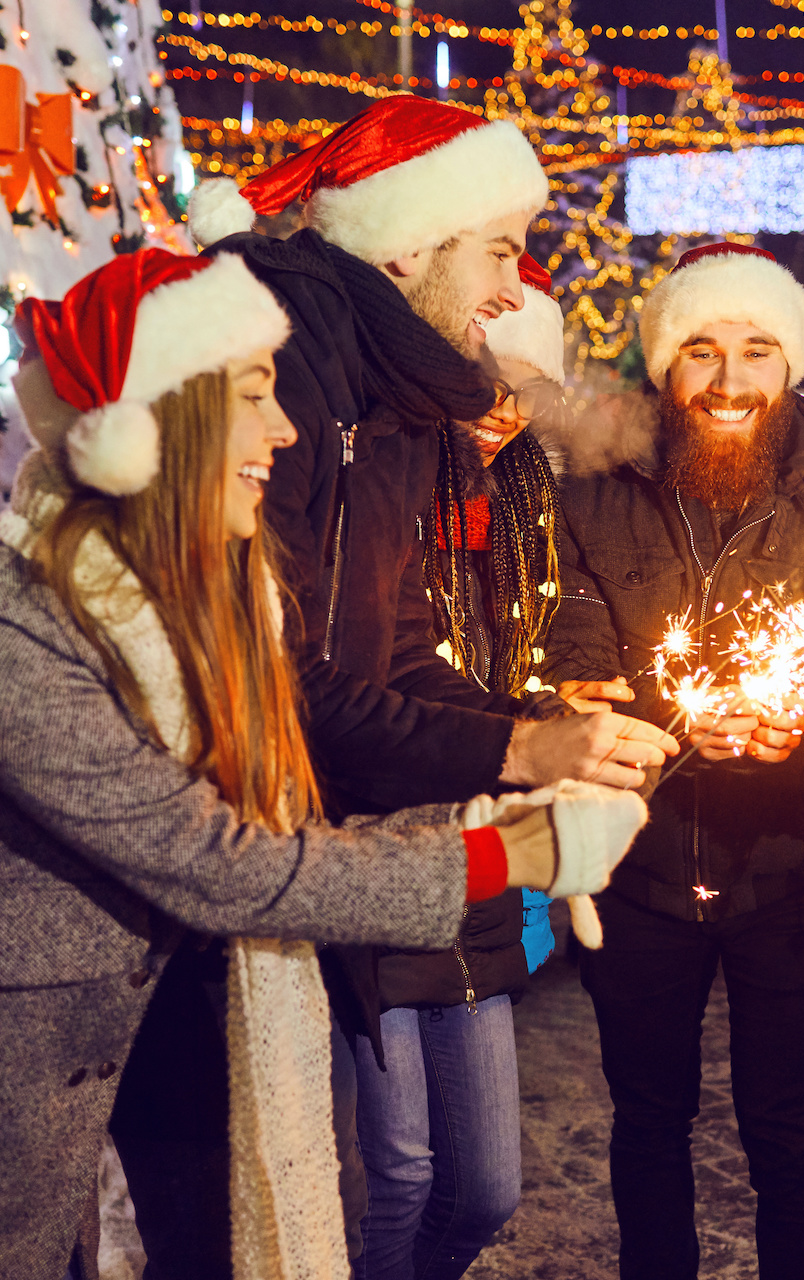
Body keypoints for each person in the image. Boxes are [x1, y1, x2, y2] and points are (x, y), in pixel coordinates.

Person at [0, 249, 647, 1280]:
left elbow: (274, 839)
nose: (286, 429)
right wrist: (513, 852)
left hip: (19, 1134)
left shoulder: (195, 616)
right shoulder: (8, 622)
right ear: (157, 424)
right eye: (256, 396)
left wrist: (500, 790)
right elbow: (218, 861)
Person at [115, 97, 675, 1274]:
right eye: (497, 245)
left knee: (454, 1186)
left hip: (367, 823)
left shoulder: (400, 388)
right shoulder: (294, 373)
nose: (515, 282)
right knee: (306, 1199)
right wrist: (520, 758)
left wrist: (536, 719)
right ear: (411, 242)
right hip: (258, 858)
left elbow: (401, 641)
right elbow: (281, 681)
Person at [543, 243, 804, 1279]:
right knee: (649, 1124)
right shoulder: (598, 484)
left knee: (792, 1137)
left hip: (795, 869)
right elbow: (573, 644)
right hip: (642, 870)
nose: (729, 380)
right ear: (664, 365)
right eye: (701, 350)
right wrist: (669, 719)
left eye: (755, 351)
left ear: (790, 365)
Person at [351, 256, 582, 1279]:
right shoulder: (383, 487)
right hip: (375, 845)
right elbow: (373, 676)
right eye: (485, 386)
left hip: (481, 856)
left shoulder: (528, 508)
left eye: (518, 393)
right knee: (399, 1169)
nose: (498, 412)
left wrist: (555, 717)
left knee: (486, 1184)